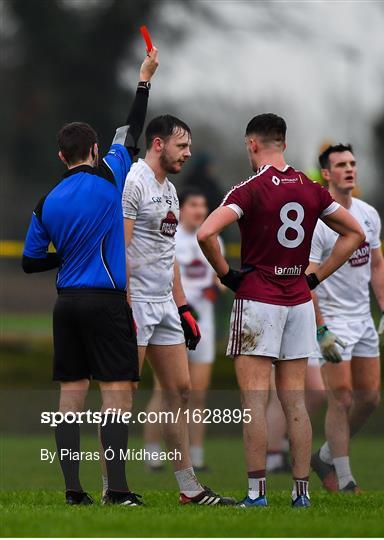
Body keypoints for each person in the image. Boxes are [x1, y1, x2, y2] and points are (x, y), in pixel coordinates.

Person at [197, 113, 365, 508]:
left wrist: (226, 275)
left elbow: (205, 232)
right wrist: (317, 276)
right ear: (284, 144)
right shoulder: (310, 188)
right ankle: (301, 494)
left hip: (258, 301)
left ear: (252, 145)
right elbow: (354, 232)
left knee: (255, 400)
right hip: (300, 301)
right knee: (294, 401)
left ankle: (257, 495)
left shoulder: (249, 188)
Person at [21, 49, 159, 506]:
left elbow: (29, 261)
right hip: (105, 301)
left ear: (61, 156)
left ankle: (73, 491)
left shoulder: (47, 200)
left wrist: (65, 258)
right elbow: (134, 128)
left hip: (66, 305)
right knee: (117, 392)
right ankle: (117, 489)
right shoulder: (110, 173)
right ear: (95, 149)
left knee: (71, 395)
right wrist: (144, 79)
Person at [122, 116, 235, 506]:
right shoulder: (133, 181)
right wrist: (124, 302)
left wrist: (183, 307)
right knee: (123, 394)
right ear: (158, 144)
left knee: (181, 390)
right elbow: (122, 250)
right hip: (135, 304)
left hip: (166, 305)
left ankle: (189, 488)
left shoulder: (170, 191)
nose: (187, 153)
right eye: (182, 146)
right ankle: (113, 489)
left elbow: (167, 256)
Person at [309, 143, 384, 493]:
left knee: (370, 398)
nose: (350, 169)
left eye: (353, 163)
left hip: (363, 319)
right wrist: (320, 329)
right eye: (341, 165)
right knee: (341, 397)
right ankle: (345, 480)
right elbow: (307, 277)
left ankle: (327, 454)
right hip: (333, 319)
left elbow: (377, 265)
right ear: (326, 174)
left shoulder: (368, 214)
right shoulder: (319, 223)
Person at [142, 188, 224, 473]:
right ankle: (152, 451)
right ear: (181, 208)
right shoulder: (171, 237)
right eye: (194, 204)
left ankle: (196, 454)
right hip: (174, 319)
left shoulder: (214, 238)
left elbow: (216, 281)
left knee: (198, 394)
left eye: (203, 204)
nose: (199, 210)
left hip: (205, 323)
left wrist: (216, 289)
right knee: (165, 390)